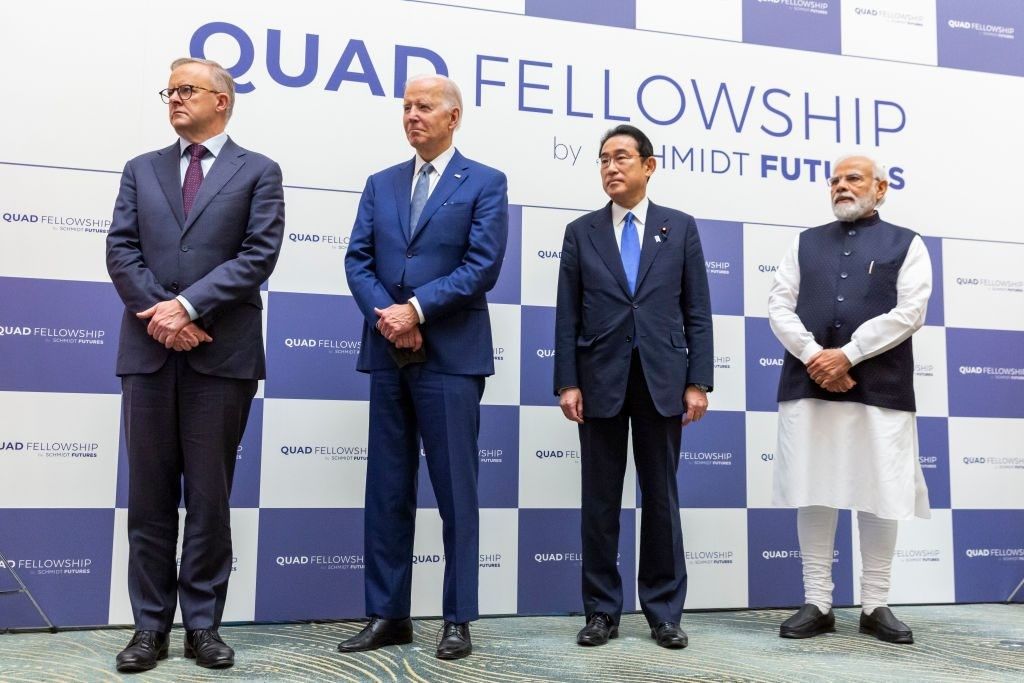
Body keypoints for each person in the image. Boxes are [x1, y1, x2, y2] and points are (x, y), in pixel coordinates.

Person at [105, 57, 285, 672]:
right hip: (150, 355)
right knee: (149, 497)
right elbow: (121, 249)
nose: (175, 99)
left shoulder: (258, 171)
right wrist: (162, 316)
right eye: (170, 90)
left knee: (210, 498)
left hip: (221, 356)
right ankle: (148, 628)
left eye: (188, 90)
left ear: (223, 101)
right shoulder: (141, 169)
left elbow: (258, 256)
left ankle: (202, 626)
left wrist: (186, 307)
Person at [340, 74, 508, 661]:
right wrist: (387, 316)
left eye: (425, 106)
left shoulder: (485, 182)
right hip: (387, 351)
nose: (412, 115)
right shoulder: (380, 182)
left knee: (456, 491)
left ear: (454, 116)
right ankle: (388, 615)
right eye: (406, 106)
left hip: (451, 356)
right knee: (386, 489)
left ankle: (458, 619)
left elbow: (482, 265)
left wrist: (415, 309)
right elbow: (357, 259)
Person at [553, 124, 713, 649]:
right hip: (598, 379)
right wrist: (567, 382)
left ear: (650, 165)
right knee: (599, 502)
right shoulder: (582, 232)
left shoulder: (680, 228)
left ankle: (664, 612)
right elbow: (566, 314)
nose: (610, 167)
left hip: (662, 380)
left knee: (662, 500)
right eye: (602, 159)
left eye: (621, 157)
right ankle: (601, 611)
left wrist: (698, 381)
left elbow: (697, 312)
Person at [768, 155, 932, 644]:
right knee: (813, 485)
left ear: (880, 189)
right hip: (809, 381)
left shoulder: (908, 243)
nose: (841, 186)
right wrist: (817, 356)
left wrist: (851, 355)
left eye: (853, 178)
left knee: (879, 487)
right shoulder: (803, 243)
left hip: (880, 387)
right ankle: (817, 601)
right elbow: (778, 304)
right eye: (835, 180)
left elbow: (912, 310)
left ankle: (876, 604)